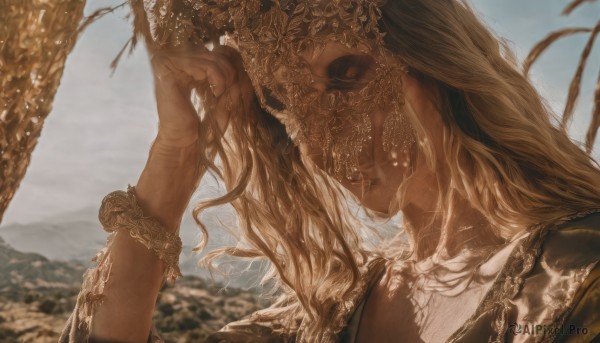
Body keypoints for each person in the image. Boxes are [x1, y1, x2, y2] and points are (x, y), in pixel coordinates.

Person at [60, 0, 600, 342]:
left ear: (437, 62)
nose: (320, 140)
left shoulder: (575, 278)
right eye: (285, 104)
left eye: (346, 73)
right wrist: (175, 157)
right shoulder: (327, 318)